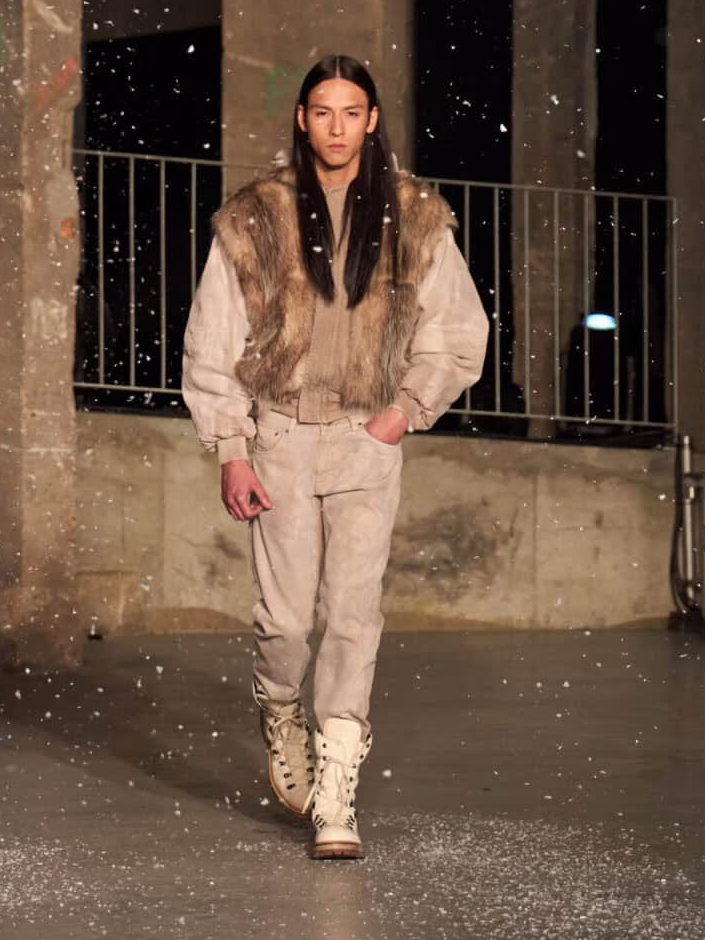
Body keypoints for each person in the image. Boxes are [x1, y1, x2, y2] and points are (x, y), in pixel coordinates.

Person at [182, 55, 489, 859]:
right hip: (278, 436)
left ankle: (336, 795)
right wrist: (230, 449)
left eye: (351, 112)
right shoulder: (254, 217)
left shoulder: (414, 217)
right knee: (284, 625)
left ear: (372, 120)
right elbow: (212, 341)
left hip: (364, 438)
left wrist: (401, 414)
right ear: (301, 118)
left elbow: (457, 332)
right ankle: (279, 710)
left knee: (352, 619)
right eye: (322, 111)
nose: (336, 127)